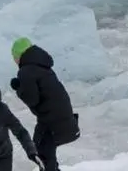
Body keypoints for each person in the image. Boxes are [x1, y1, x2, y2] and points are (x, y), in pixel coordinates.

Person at [9, 37, 80, 171]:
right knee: (42, 151)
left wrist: (18, 88)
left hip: (52, 120)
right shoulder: (43, 66)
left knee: (40, 152)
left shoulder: (26, 71)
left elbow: (32, 99)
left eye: (14, 56)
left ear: (18, 55)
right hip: (63, 115)